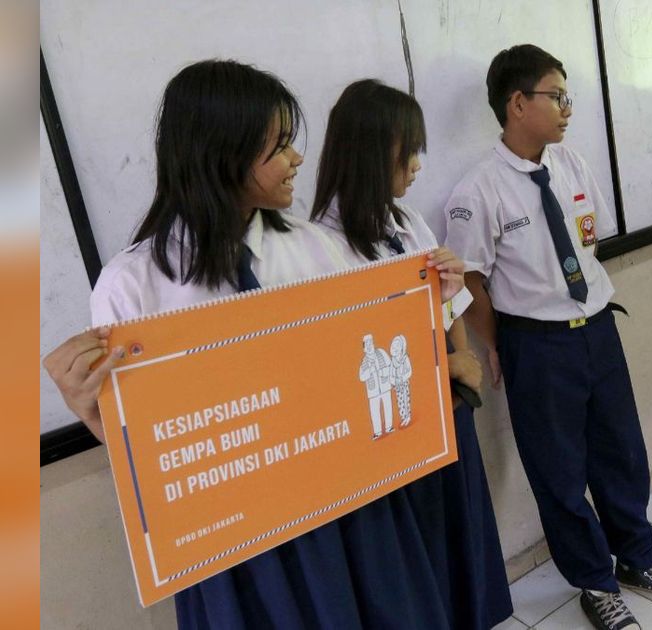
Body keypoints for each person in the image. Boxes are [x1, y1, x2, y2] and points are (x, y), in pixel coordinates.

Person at [41, 60, 468, 629]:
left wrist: (432, 308)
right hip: (242, 550)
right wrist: (89, 408)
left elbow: (363, 382)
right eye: (281, 145)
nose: (297, 159)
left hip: (353, 509)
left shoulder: (319, 252)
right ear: (226, 151)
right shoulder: (132, 285)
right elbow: (150, 459)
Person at [441, 44, 652, 630]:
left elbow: (588, 246)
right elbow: (471, 280)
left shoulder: (573, 165)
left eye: (567, 97)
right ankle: (595, 583)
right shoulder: (477, 191)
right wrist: (497, 344)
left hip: (598, 330)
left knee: (622, 452)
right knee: (558, 472)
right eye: (556, 96)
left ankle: (637, 558)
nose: (566, 108)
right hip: (536, 344)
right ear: (516, 104)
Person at [309, 78, 513, 629]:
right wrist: (448, 367)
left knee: (461, 544)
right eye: (409, 149)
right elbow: (342, 357)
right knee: (411, 571)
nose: (418, 165)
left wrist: (463, 362)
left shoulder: (406, 222)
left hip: (448, 414)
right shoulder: (320, 247)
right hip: (391, 435)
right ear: (374, 149)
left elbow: (448, 307)